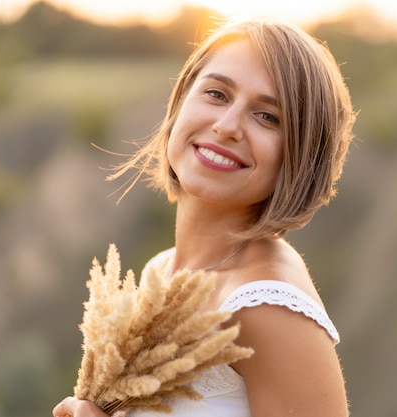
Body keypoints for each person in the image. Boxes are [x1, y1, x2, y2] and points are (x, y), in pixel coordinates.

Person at [53, 17, 355, 417]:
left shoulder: (267, 308)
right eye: (216, 93)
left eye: (267, 117)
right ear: (179, 102)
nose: (227, 126)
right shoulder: (164, 271)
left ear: (301, 155)